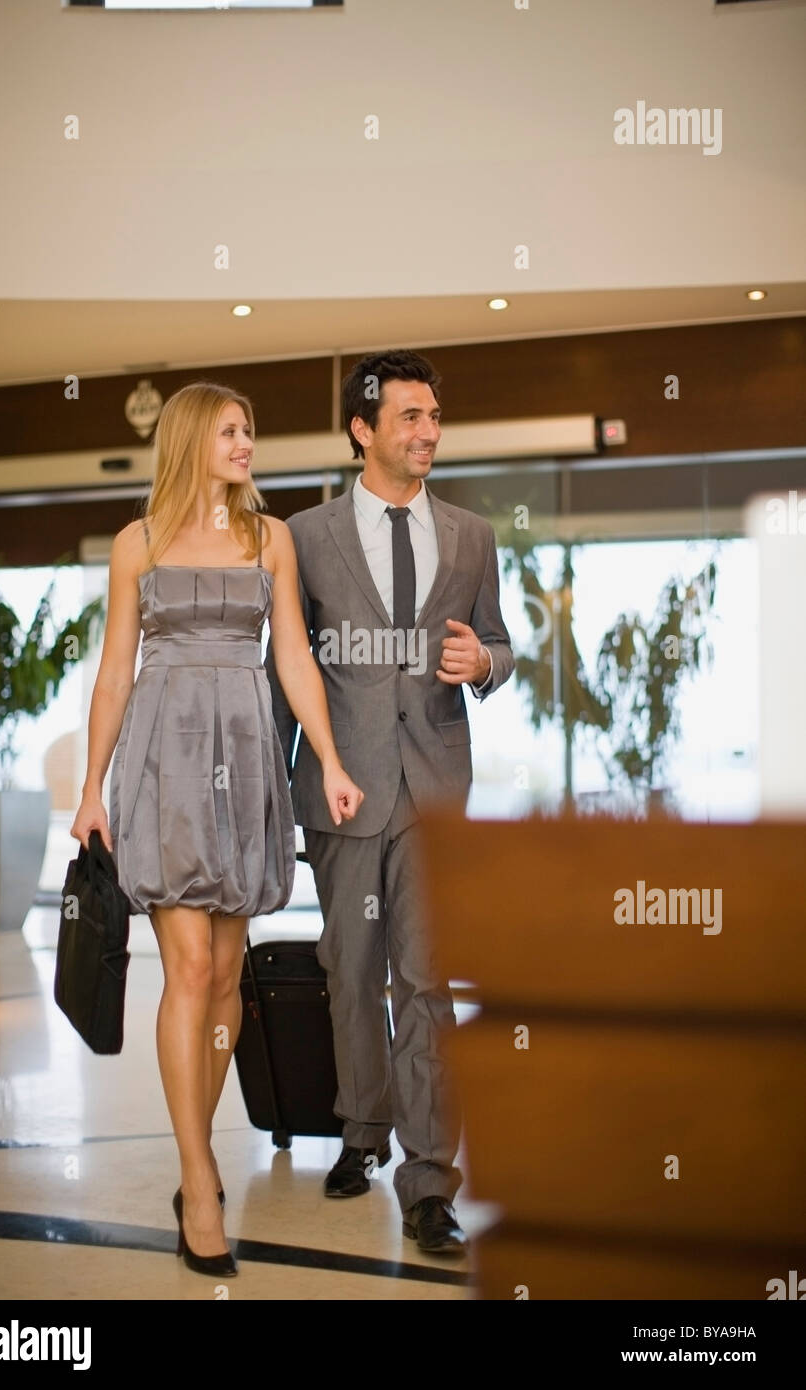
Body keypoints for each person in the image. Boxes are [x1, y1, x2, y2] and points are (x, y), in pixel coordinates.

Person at [70, 380, 363, 1279]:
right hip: (163, 761)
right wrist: (91, 789)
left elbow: (293, 657)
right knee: (188, 967)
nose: (247, 445)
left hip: (244, 753)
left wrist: (330, 757)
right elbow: (116, 672)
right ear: (194, 439)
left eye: (250, 431)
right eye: (233, 432)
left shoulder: (269, 538)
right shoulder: (137, 544)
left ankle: (196, 1145)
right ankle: (199, 1180)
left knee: (228, 974)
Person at [265, 349, 514, 1255]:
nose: (429, 432)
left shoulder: (473, 534)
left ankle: (429, 1182)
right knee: (349, 972)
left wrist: (484, 663)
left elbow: (497, 641)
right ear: (363, 429)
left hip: (435, 786)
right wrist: (274, 785)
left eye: (435, 416)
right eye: (411, 417)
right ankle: (360, 1133)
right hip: (341, 786)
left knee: (426, 982)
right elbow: (281, 672)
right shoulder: (300, 537)